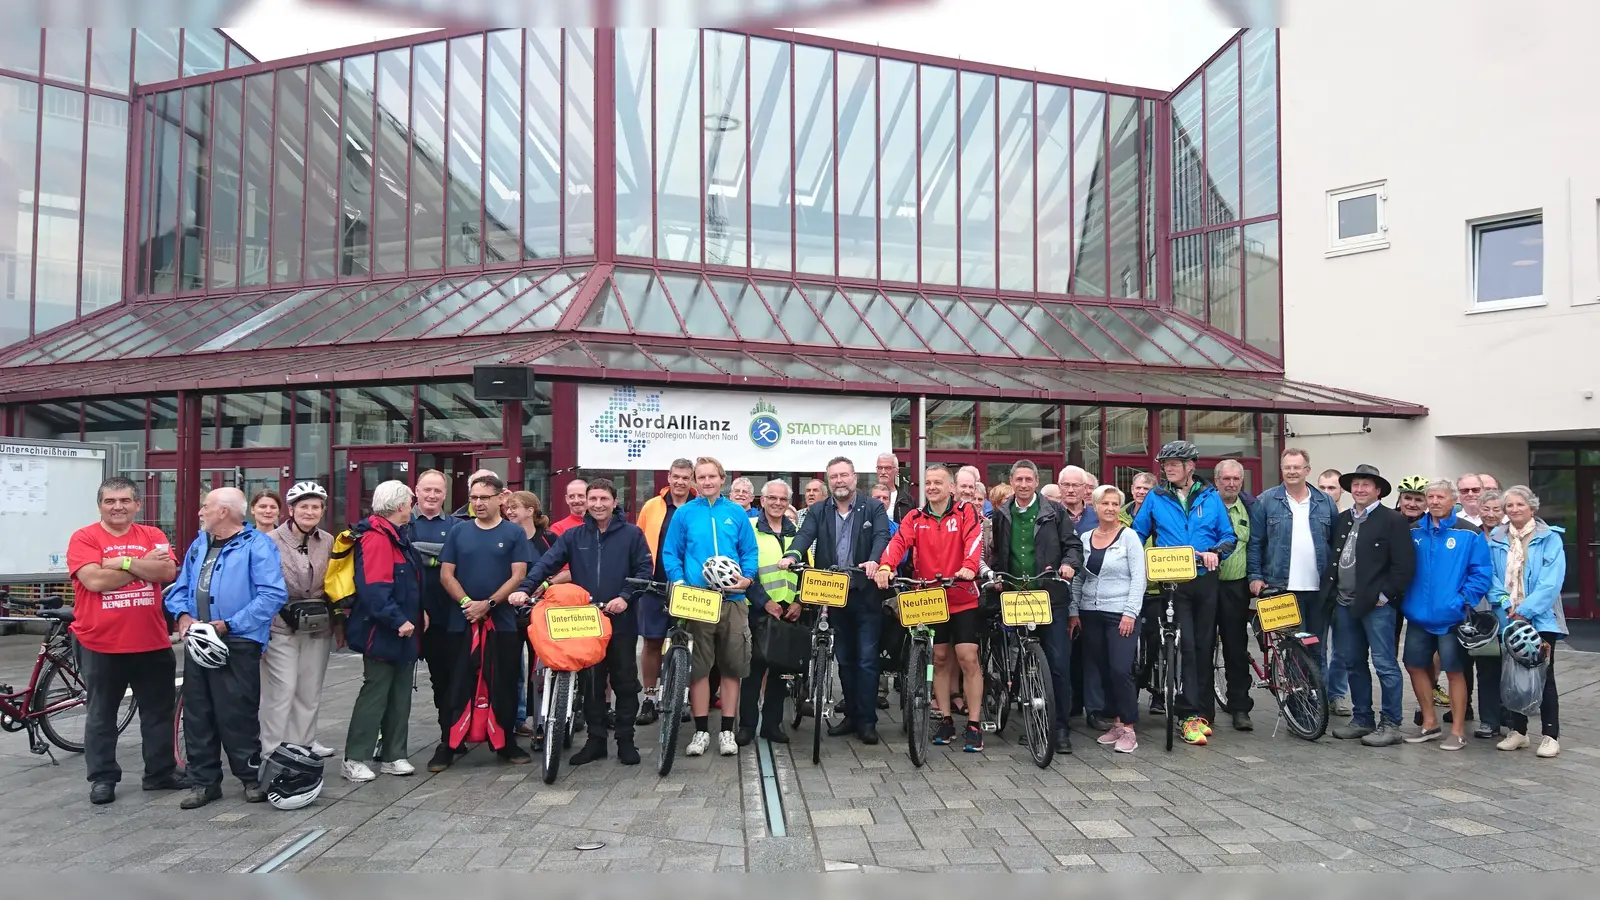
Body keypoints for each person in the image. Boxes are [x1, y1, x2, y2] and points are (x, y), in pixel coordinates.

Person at [511, 478, 653, 767]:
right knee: (591, 683)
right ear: (586, 503)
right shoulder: (574, 536)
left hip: (621, 619)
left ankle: (626, 740)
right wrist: (525, 588)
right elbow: (546, 563)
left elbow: (644, 570)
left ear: (615, 503)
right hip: (587, 620)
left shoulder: (632, 534)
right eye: (593, 499)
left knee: (625, 682)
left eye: (604, 499)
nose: (598, 505)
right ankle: (596, 740)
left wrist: (625, 597)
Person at [165, 487, 288, 809]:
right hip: (199, 641)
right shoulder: (198, 545)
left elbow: (272, 595)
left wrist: (230, 624)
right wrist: (182, 616)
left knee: (238, 712)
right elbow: (178, 589)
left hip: (237, 640)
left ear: (224, 512)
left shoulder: (257, 545)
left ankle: (250, 778)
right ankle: (204, 782)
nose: (200, 512)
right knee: (197, 713)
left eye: (206, 506)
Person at [68, 476, 185, 805]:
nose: (117, 506)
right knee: (102, 714)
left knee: (158, 712)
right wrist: (142, 565)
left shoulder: (153, 535)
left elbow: (166, 574)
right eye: (110, 501)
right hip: (101, 643)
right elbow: (94, 580)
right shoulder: (85, 537)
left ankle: (160, 773)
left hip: (152, 642)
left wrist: (122, 562)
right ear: (100, 506)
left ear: (137, 505)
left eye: (124, 501)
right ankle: (103, 778)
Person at [1132, 441, 1234, 746]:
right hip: (1172, 581)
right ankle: (1187, 715)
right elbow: (1137, 533)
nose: (1168, 468)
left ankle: (1201, 711)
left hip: (1205, 580)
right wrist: (1141, 562)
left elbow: (1229, 536)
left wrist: (1216, 552)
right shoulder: (1156, 496)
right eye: (1165, 464)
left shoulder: (1210, 497)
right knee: (1186, 646)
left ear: (1191, 466)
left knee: (1204, 646)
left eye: (1174, 463)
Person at [876, 465, 984, 751]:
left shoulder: (965, 513)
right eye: (928, 483)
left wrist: (969, 568)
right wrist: (886, 566)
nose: (932, 486)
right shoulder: (915, 517)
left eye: (938, 482)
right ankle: (946, 718)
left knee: (967, 656)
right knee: (938, 657)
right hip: (929, 597)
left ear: (951, 487)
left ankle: (974, 723)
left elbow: (974, 541)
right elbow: (899, 543)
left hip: (961, 594)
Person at [783, 457, 891, 743]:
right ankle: (852, 716)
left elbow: (881, 536)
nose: (839, 481)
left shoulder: (874, 507)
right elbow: (804, 535)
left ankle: (867, 721)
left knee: (867, 660)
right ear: (829, 481)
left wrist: (874, 560)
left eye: (844, 475)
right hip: (834, 595)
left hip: (866, 594)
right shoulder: (819, 510)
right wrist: (793, 554)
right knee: (844, 660)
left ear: (854, 477)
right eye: (834, 477)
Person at [662, 457, 760, 758]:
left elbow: (750, 550)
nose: (706, 482)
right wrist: (678, 581)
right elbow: (670, 553)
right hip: (698, 601)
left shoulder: (736, 513)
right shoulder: (684, 514)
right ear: (694, 481)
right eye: (700, 477)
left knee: (732, 668)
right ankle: (702, 731)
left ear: (722, 479)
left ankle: (727, 731)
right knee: (699, 670)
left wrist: (747, 578)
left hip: (733, 601)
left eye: (712, 477)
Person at [438, 473, 534, 766]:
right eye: (474, 498)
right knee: (455, 682)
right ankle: (449, 743)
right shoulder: (458, 531)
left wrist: (489, 604)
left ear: (499, 498)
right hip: (462, 621)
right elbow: (446, 574)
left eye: (484, 498)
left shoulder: (514, 533)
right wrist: (469, 603)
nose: (478, 503)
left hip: (502, 623)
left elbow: (519, 575)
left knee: (504, 681)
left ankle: (505, 742)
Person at [986, 459, 1081, 753]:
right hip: (1017, 596)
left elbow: (1073, 546)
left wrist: (1068, 565)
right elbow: (1001, 553)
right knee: (1025, 662)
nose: (1024, 484)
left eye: (1029, 479)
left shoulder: (1054, 512)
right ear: (1011, 482)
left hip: (1049, 595)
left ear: (1036, 482)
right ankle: (1034, 720)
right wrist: (999, 575)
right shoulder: (1002, 514)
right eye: (1019, 479)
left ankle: (1060, 728)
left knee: (1058, 664)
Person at [1326, 465, 1415, 748]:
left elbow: (1404, 566)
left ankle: (1391, 723)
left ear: (1378, 490)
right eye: (1356, 484)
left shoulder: (1393, 520)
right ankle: (1362, 718)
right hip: (1344, 602)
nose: (1360, 489)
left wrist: (1385, 596)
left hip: (1377, 607)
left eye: (1366, 484)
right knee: (1352, 662)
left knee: (1385, 664)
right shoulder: (1342, 520)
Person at [342, 480, 424, 782]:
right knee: (375, 692)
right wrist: (398, 620)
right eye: (411, 500)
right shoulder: (376, 538)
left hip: (403, 629)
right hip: (384, 631)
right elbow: (374, 589)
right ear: (401, 505)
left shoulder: (395, 535)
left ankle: (394, 755)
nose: (413, 505)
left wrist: (417, 614)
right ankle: (355, 758)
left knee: (400, 694)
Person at [1400, 480, 1491, 750]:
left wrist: (1462, 601)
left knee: (1454, 671)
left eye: (1441, 496)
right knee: (1414, 666)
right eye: (1431, 496)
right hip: (1418, 616)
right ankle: (1429, 723)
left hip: (1452, 617)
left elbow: (1481, 573)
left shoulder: (1470, 533)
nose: (1435, 501)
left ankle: (1458, 730)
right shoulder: (1414, 530)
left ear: (1454, 500)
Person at [1247, 449, 1340, 713]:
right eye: (1287, 467)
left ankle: (1319, 700)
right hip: (1281, 588)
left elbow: (1335, 545)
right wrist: (1255, 577)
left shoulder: (1324, 502)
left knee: (1317, 648)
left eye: (1297, 467)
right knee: (1291, 648)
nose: (1291, 472)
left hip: (1319, 589)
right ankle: (1299, 706)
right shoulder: (1266, 501)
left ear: (1307, 470)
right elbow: (1256, 544)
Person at [1487, 486, 1567, 758]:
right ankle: (1518, 731)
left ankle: (1550, 735)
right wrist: (1505, 603)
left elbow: (1551, 582)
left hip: (1542, 619)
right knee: (1511, 675)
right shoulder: (1496, 537)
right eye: (1509, 505)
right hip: (1507, 616)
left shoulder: (1550, 538)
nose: (1514, 509)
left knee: (1545, 675)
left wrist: (1527, 609)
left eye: (1520, 504)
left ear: (1532, 507)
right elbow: (1491, 576)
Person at [261, 481, 337, 761]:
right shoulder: (270, 541)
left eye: (315, 507)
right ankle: (272, 751)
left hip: (317, 624)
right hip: (280, 625)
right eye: (303, 506)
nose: (310, 511)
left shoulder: (327, 540)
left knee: (309, 689)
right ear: (291, 510)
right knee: (281, 690)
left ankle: (302, 746)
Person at [1069, 485, 1147, 754]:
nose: (1111, 509)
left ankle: (1129, 728)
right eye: (1106, 504)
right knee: (1103, 670)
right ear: (1096, 506)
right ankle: (1115, 722)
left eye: (1115, 504)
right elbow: (1078, 579)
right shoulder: (1085, 538)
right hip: (1091, 613)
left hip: (1120, 614)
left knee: (1121, 669)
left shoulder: (1129, 537)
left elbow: (1139, 578)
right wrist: (1073, 612)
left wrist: (1130, 612)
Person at [736, 479, 804, 746]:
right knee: (753, 672)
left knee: (781, 673)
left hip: (789, 613)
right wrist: (764, 602)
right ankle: (747, 726)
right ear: (761, 501)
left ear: (788, 503)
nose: (777, 503)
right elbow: (744, 570)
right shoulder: (750, 529)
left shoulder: (797, 532)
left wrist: (799, 601)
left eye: (783, 499)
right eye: (772, 498)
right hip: (759, 609)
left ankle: (772, 725)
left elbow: (806, 570)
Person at [411, 470, 465, 772]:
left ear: (445, 495)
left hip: (447, 617)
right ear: (416, 491)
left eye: (438, 491)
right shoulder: (405, 526)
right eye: (427, 490)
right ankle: (386, 742)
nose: (432, 496)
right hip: (411, 616)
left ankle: (449, 738)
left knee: (445, 680)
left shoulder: (457, 527)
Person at [635, 458, 695, 726]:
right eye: (676, 476)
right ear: (668, 478)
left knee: (689, 641)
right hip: (655, 585)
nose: (680, 482)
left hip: (691, 586)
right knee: (652, 641)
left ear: (692, 479)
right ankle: (649, 698)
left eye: (686, 477)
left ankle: (683, 696)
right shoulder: (652, 507)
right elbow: (639, 542)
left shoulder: (699, 507)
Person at [503, 491, 558, 740]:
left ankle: (541, 721)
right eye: (508, 507)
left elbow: (568, 570)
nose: (510, 511)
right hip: (507, 610)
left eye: (515, 507)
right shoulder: (503, 537)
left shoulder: (548, 539)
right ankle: (515, 719)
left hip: (541, 611)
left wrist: (544, 585)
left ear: (531, 510)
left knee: (541, 667)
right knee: (512, 666)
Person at [1212, 460, 1255, 731]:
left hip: (1236, 588)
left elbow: (1258, 543)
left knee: (1236, 649)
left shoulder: (1252, 507)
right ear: (1216, 481)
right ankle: (1203, 709)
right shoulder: (1204, 506)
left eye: (1236, 479)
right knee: (1202, 647)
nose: (1231, 484)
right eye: (1226, 479)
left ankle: (1240, 707)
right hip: (1206, 585)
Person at [1467, 489, 1507, 739]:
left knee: (1511, 666)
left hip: (1507, 609)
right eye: (1487, 509)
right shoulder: (1472, 534)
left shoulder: (1510, 536)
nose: (1491, 514)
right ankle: (1489, 720)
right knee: (1486, 665)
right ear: (1478, 510)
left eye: (1497, 509)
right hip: (1479, 610)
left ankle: (1511, 716)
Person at [1057, 466, 1099, 535]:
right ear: (1059, 486)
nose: (1071, 490)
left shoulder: (1098, 516)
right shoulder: (1049, 515)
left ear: (1085, 488)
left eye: (1075, 485)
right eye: (1066, 485)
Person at [876, 453, 914, 521]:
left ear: (897, 471)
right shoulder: (867, 498)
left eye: (888, 468)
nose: (883, 472)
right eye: (880, 468)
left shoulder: (907, 500)